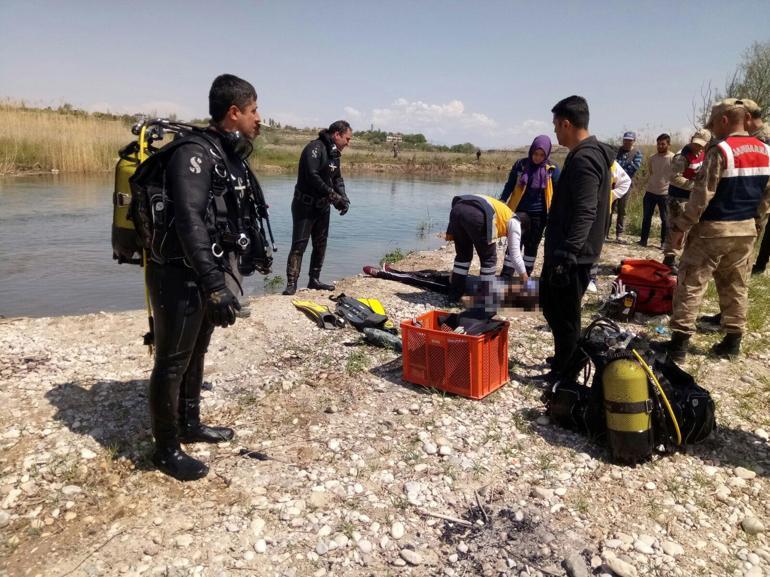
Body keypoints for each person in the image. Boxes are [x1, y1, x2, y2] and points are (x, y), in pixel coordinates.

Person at [146, 74, 265, 481]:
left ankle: (190, 424)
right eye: (253, 111)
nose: (258, 119)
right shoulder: (192, 154)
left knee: (197, 351)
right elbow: (189, 221)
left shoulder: (222, 153)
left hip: (204, 272)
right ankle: (165, 449)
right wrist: (215, 285)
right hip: (179, 275)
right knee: (172, 360)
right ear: (234, 113)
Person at [661, 99, 770, 362]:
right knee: (736, 285)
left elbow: (701, 196)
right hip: (745, 229)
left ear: (724, 120)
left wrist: (680, 227)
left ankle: (679, 345)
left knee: (691, 283)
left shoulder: (720, 150)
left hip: (712, 229)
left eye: (713, 123)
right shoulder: (766, 151)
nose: (712, 129)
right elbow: (766, 199)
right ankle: (732, 341)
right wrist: (756, 226)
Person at [539, 96, 613, 381]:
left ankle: (565, 373)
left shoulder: (585, 158)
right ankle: (565, 357)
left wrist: (568, 253)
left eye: (556, 126)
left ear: (566, 123)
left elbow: (586, 210)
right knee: (550, 304)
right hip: (570, 249)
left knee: (565, 315)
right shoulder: (586, 154)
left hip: (573, 253)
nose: (555, 132)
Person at [283, 121, 352, 295]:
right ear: (337, 135)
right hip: (304, 205)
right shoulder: (314, 148)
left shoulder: (334, 153)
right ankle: (291, 283)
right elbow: (312, 176)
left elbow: (337, 178)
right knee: (299, 245)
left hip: (322, 206)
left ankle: (314, 280)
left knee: (320, 244)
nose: (348, 143)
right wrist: (333, 196)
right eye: (347, 139)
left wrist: (343, 196)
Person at [445, 194, 529, 302]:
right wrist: (524, 276)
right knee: (489, 259)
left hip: (457, 209)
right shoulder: (515, 221)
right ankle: (485, 300)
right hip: (477, 213)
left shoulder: (504, 212)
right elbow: (515, 254)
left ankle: (454, 296)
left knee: (463, 256)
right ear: (522, 227)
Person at [499, 135, 561, 275]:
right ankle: (507, 274)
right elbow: (510, 185)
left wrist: (558, 213)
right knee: (515, 242)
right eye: (535, 154)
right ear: (531, 151)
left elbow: (559, 191)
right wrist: (502, 200)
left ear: (546, 154)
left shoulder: (552, 169)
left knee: (532, 244)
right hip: (519, 211)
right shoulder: (520, 165)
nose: (537, 157)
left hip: (540, 214)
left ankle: (526, 274)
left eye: (541, 155)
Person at [663, 129, 711, 273]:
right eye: (696, 144)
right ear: (691, 139)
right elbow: (674, 178)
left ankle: (680, 258)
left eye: (702, 145)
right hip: (678, 198)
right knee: (677, 228)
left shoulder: (703, 153)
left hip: (691, 198)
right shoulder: (681, 156)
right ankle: (669, 260)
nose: (698, 147)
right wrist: (695, 186)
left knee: (688, 230)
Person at [586, 160, 632, 292]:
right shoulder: (583, 160)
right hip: (581, 210)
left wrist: (611, 196)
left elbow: (626, 182)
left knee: (596, 244)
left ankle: (591, 278)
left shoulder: (611, 164)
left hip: (602, 211)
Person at [744, 99, 770, 274]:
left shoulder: (764, 138)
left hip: (761, 195)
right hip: (758, 193)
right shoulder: (757, 136)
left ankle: (744, 269)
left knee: (751, 232)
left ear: (747, 117)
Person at [638, 134, 674, 247]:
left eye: (663, 144)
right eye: (658, 144)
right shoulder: (652, 158)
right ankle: (643, 240)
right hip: (650, 191)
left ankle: (663, 242)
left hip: (665, 193)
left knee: (665, 219)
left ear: (668, 144)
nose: (660, 146)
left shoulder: (673, 158)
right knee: (646, 217)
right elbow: (651, 172)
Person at [612, 131, 643, 241]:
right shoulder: (616, 151)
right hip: (613, 183)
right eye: (625, 140)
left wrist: (620, 170)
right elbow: (612, 164)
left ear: (633, 141)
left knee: (622, 209)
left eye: (630, 140)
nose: (627, 142)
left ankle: (619, 234)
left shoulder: (637, 153)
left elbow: (634, 167)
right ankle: (604, 231)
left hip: (626, 184)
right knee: (609, 207)